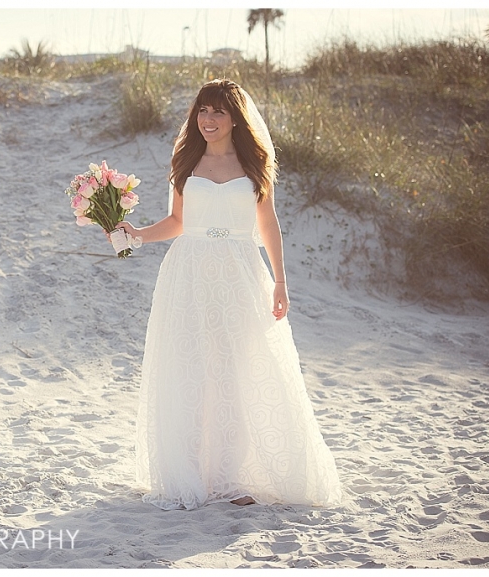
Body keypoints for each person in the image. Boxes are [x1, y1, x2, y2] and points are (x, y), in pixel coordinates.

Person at [113, 79, 342, 510]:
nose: (208, 119)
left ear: (235, 117)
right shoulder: (186, 161)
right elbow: (178, 220)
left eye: (218, 111)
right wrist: (138, 235)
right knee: (193, 370)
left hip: (240, 273)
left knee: (236, 371)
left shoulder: (256, 163)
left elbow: (269, 223)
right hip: (189, 274)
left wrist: (280, 281)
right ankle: (195, 472)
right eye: (202, 110)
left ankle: (236, 478)